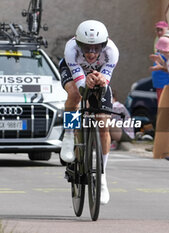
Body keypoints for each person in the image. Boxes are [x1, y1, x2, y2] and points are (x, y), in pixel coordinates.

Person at [59, 20, 119, 203]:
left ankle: (102, 178)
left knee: (103, 123)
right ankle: (69, 135)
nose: (92, 53)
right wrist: (86, 82)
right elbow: (82, 86)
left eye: (96, 48)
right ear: (78, 45)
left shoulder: (112, 52)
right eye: (86, 48)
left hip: (99, 74)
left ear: (104, 45)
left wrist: (100, 80)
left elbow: (104, 83)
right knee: (76, 94)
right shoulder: (71, 50)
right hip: (73, 72)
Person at [150, 21, 169, 103]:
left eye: (161, 30)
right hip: (159, 83)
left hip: (166, 83)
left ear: (167, 30)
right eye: (157, 30)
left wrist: (160, 66)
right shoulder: (158, 42)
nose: (158, 32)